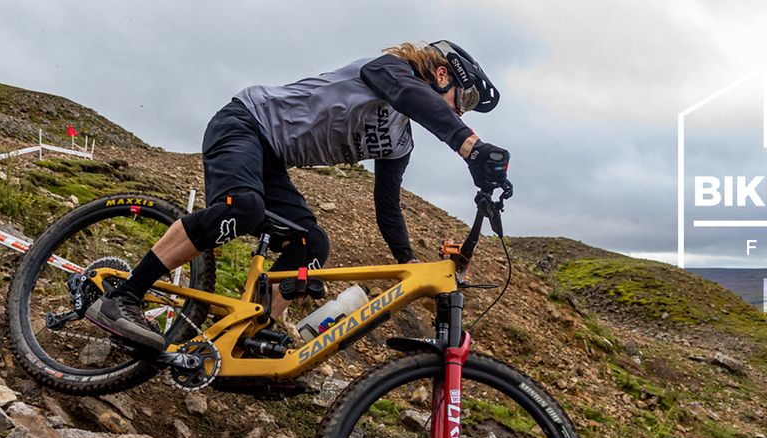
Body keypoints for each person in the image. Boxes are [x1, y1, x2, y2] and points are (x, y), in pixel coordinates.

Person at [86, 40, 511, 350]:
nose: (461, 110)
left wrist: (409, 266)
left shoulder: (400, 143)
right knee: (243, 208)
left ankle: (250, 338)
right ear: (441, 74)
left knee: (312, 243)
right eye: (466, 97)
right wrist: (469, 144)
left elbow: (388, 207)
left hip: (271, 157)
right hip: (244, 123)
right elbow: (410, 96)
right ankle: (123, 296)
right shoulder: (388, 71)